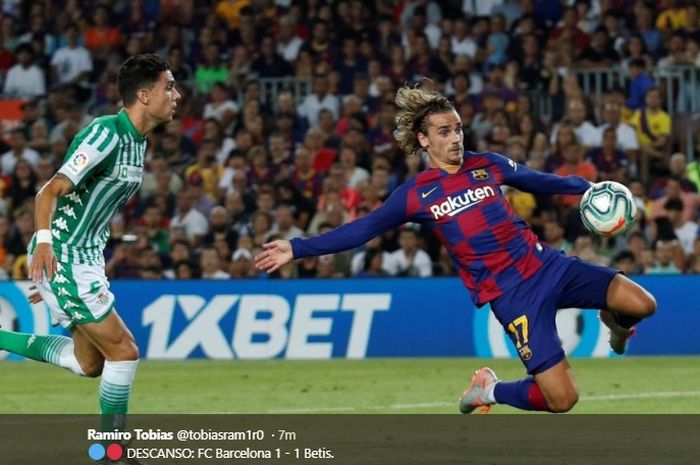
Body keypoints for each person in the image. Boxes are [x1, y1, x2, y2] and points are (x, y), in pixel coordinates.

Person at [255, 83, 656, 414]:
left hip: (548, 266)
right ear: (424, 139)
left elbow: (540, 180)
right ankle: (490, 389)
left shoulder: (488, 164)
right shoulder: (415, 195)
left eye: (458, 129)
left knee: (643, 304)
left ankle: (614, 324)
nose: (455, 139)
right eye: (444, 132)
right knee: (562, 399)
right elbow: (363, 229)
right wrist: (297, 247)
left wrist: (587, 188)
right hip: (513, 296)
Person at [0, 54, 179, 435]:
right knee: (124, 351)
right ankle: (114, 448)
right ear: (144, 95)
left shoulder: (138, 142)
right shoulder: (106, 133)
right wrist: (48, 251)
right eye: (169, 86)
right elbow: (48, 192)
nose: (176, 95)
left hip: (82, 258)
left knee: (90, 364)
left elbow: (90, 206)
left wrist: (54, 283)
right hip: (65, 253)